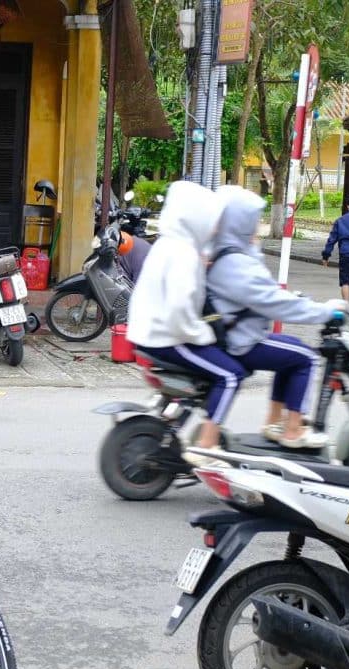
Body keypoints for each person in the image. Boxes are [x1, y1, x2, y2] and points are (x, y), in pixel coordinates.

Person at [205, 185, 348, 449]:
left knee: (291, 351)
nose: (257, 225)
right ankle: (293, 431)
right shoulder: (236, 262)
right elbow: (273, 302)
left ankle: (274, 422)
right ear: (240, 222)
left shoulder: (226, 250)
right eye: (253, 219)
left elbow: (265, 291)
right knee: (304, 358)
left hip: (238, 333)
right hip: (241, 341)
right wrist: (324, 310)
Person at [126, 181, 225, 464]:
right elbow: (181, 311)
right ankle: (206, 445)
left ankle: (180, 424)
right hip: (167, 337)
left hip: (147, 333)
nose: (214, 227)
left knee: (208, 374)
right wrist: (205, 334)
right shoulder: (183, 253)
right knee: (229, 375)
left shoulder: (168, 244)